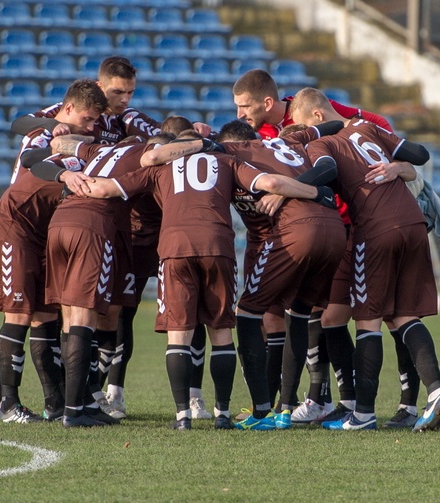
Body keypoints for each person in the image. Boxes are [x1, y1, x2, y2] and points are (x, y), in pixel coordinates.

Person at [81, 141, 336, 431]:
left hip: (175, 248)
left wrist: (68, 180)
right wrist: (317, 192)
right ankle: (222, 414)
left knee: (179, 335)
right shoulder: (226, 161)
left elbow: (103, 189)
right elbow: (270, 182)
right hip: (218, 246)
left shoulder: (158, 168)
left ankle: (182, 418)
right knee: (221, 332)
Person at [11, 58, 214, 420]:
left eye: (130, 92)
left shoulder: (115, 132)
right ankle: (79, 404)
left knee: (75, 315)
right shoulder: (81, 121)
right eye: (118, 92)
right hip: (99, 225)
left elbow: (157, 133)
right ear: (98, 88)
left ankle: (78, 401)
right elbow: (22, 126)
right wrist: (198, 144)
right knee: (91, 314)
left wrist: (185, 134)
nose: (124, 99)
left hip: (77, 218)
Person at [232, 69, 423, 427]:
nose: (241, 114)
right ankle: (322, 400)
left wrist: (397, 165)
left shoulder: (324, 115)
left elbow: (365, 128)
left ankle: (404, 404)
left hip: (355, 227)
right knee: (315, 315)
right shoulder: (264, 135)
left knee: (388, 314)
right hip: (315, 230)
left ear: (268, 103)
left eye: (245, 106)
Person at [290, 88, 440, 432]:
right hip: (413, 224)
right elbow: (419, 154)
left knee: (368, 322)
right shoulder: (366, 127)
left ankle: (362, 414)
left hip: (375, 230)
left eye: (305, 126)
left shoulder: (323, 143)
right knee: (405, 316)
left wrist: (287, 186)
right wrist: (398, 166)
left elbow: (326, 169)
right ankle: (436, 392)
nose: (307, 134)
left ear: (318, 117)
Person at [0, 79, 108, 423]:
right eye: (88, 118)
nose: (93, 126)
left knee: (44, 316)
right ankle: (5, 404)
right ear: (67, 110)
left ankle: (53, 402)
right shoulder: (50, 137)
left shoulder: (87, 144)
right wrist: (64, 171)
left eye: (97, 120)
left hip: (38, 236)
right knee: (18, 314)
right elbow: (32, 157)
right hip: (11, 231)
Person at [212, 120, 346, 429]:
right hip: (334, 230)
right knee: (298, 313)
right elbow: (332, 124)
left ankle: (261, 413)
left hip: (294, 231)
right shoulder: (292, 140)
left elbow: (268, 182)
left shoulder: (232, 154)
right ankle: (285, 409)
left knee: (246, 312)